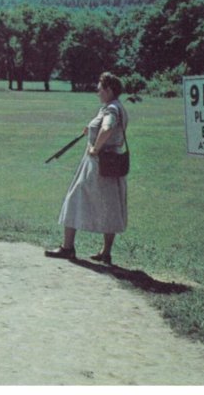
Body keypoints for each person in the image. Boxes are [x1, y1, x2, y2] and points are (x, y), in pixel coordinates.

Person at [45, 72, 128, 264]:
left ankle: (67, 248)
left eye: (100, 88)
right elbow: (105, 127)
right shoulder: (116, 107)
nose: (97, 92)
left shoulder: (111, 110)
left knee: (73, 198)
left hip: (99, 164)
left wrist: (95, 147)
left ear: (108, 90)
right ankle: (105, 252)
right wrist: (90, 129)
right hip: (112, 163)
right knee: (110, 205)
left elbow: (107, 128)